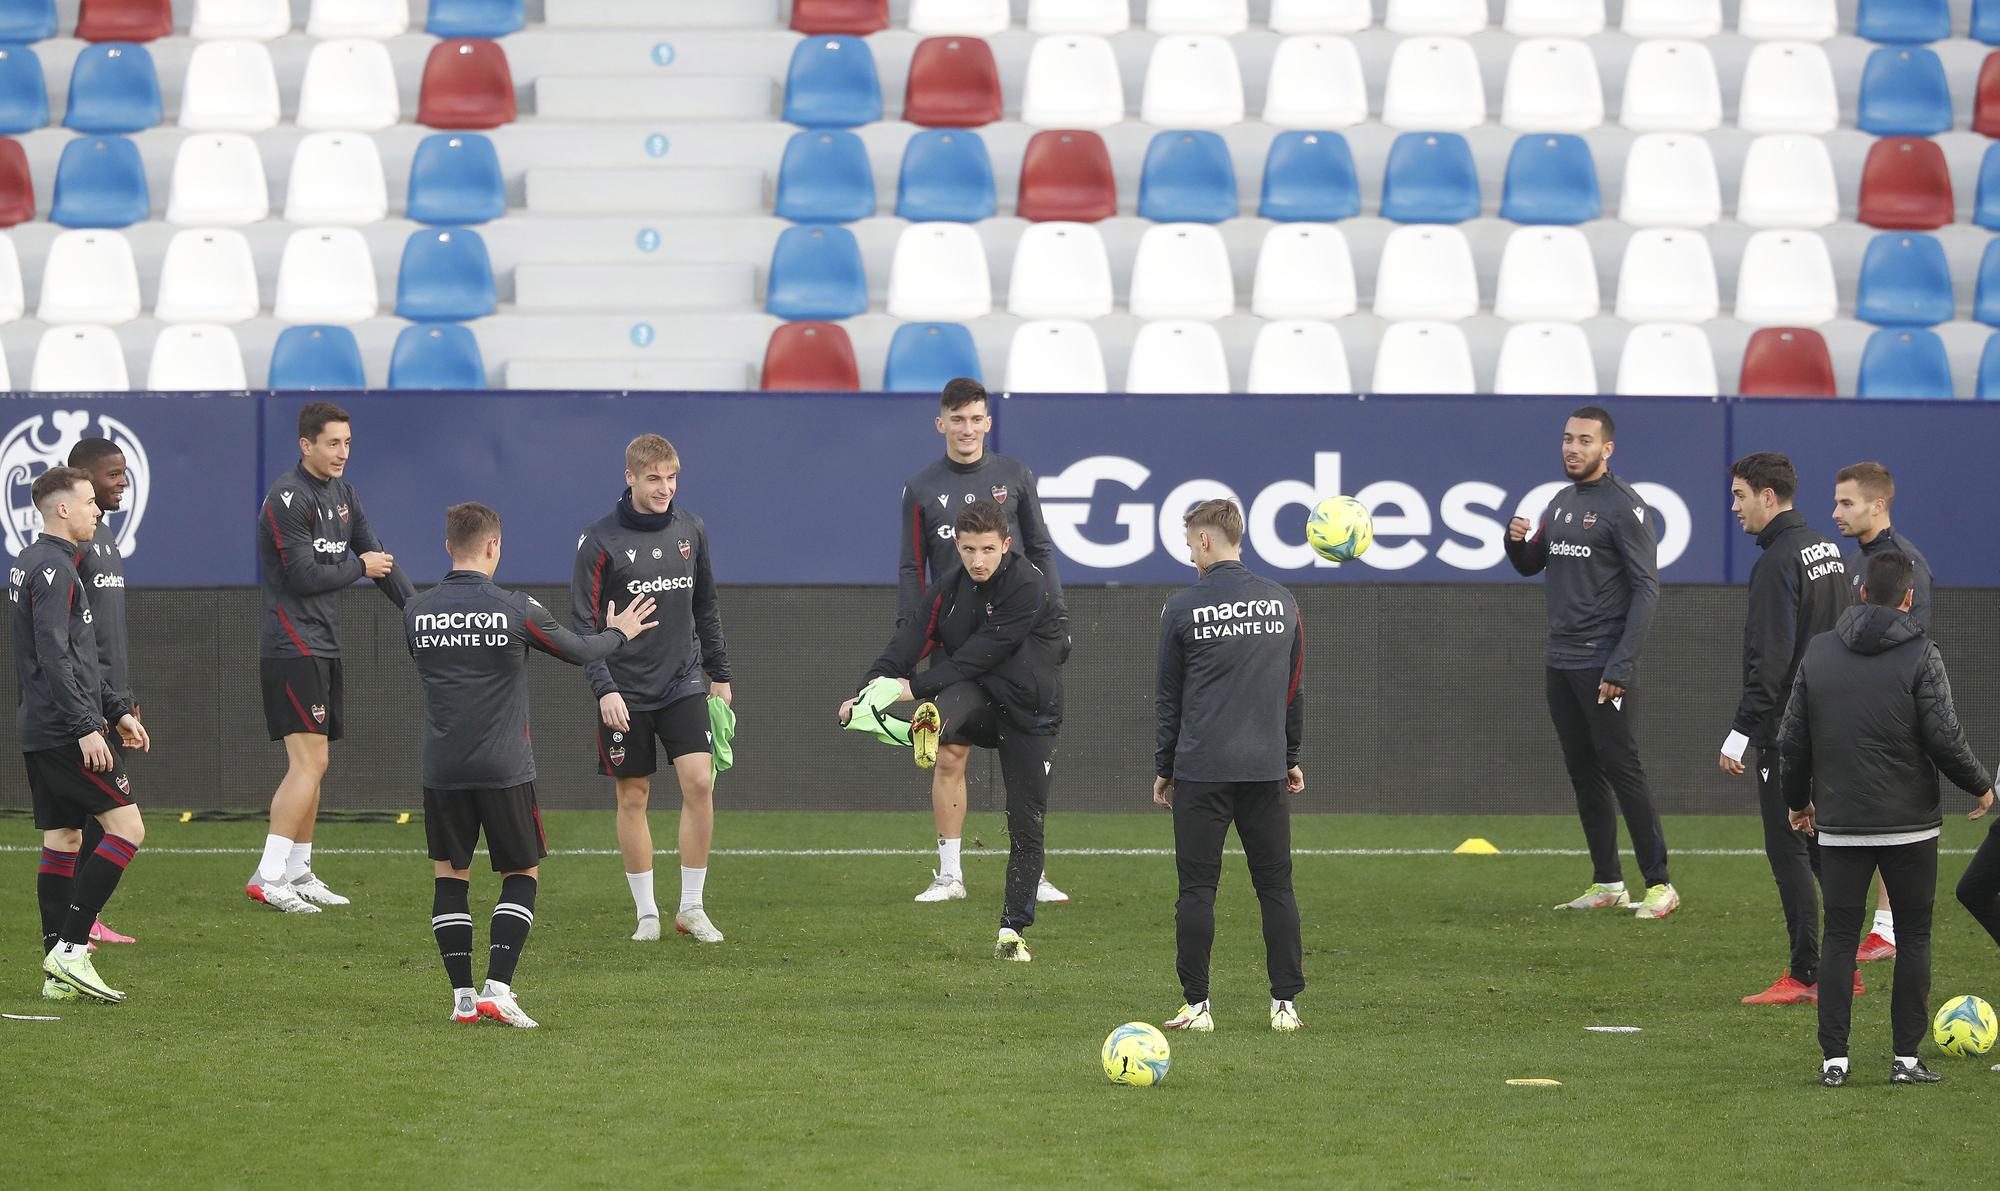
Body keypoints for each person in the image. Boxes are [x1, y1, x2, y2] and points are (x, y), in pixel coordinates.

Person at [407, 503, 659, 1028]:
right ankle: (498, 986)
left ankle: (462, 1000)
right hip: (505, 768)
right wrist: (620, 632)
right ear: (495, 546)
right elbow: (583, 651)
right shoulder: (517, 609)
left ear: (447, 545)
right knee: (521, 872)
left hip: (443, 768)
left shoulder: (418, 612)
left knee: (450, 877)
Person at [1778, 551, 1994, 1087]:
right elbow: (1944, 737)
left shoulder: (1820, 652)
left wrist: (1798, 801)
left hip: (1841, 823)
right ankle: (1904, 1059)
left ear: (1858, 593)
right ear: (1908, 597)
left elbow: (1792, 740)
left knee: (1840, 937)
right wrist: (1981, 784)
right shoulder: (1921, 652)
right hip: (1911, 825)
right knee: (1915, 936)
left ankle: (1835, 1061)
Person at [841, 500, 1065, 962]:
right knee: (956, 692)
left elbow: (982, 651)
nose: (978, 560)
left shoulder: (1028, 585)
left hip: (1028, 714)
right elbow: (908, 643)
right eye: (968, 549)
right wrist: (864, 692)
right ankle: (931, 725)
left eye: (987, 549)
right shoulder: (950, 587)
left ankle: (1011, 930)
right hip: (976, 701)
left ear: (1006, 544)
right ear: (957, 546)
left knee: (1026, 826)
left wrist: (909, 687)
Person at [897, 377, 1069, 906]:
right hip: (954, 637)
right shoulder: (921, 487)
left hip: (1016, 637)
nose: (967, 429)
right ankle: (950, 874)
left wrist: (1056, 615)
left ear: (988, 421)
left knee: (1025, 751)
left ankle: (1031, 871)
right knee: (950, 752)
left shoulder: (1015, 476)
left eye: (976, 419)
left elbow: (1039, 546)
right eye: (957, 419)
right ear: (940, 423)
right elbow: (912, 566)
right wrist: (915, 637)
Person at [1505, 407, 1677, 920]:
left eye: (1584, 440)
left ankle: (1660, 883)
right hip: (1560, 659)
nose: (1572, 448)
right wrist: (1514, 541)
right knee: (1583, 773)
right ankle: (1607, 881)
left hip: (1601, 661)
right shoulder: (1559, 502)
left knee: (1623, 770)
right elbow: (1534, 563)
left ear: (1608, 449)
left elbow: (1647, 590)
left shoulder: (1626, 507)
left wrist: (1620, 666)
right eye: (1567, 439)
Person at [250, 401, 413, 913]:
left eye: (347, 443)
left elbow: (379, 558)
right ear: (307, 445)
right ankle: (267, 874)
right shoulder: (287, 497)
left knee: (316, 765)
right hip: (291, 646)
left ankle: (298, 870)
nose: (342, 452)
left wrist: (421, 614)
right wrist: (357, 565)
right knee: (309, 761)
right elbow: (303, 576)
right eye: (332, 443)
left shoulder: (345, 495)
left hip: (323, 644)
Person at [1152, 500, 1307, 1034]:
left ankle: (1197, 1007)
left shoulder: (1181, 607)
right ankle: (1285, 1006)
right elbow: (1292, 691)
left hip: (1201, 769)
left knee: (1197, 889)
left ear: (1204, 542)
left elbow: (1170, 697)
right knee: (1275, 886)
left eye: (1190, 542)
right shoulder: (1282, 601)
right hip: (1265, 769)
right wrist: (1289, 757)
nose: (1190, 552)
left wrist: (1164, 766)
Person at [571, 434, 733, 944]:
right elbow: (583, 623)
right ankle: (647, 913)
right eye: (654, 478)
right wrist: (603, 689)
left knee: (700, 784)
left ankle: (691, 908)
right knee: (634, 796)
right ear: (631, 478)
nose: (665, 488)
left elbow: (705, 606)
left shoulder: (692, 529)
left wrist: (720, 674)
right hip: (624, 690)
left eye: (671, 477)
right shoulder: (599, 540)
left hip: (683, 681)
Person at [12, 467, 151, 1003]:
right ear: (62, 509)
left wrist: (114, 709)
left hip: (43, 729)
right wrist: (88, 727)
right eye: (91, 501)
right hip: (63, 730)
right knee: (127, 828)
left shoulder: (36, 563)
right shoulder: (53, 567)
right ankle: (71, 950)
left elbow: (78, 655)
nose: (99, 510)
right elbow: (53, 655)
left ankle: (55, 974)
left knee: (64, 839)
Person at [1720, 453, 1853, 1006]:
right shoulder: (1827, 548)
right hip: (1831, 719)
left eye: (1740, 496)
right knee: (1821, 845)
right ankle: (1846, 967)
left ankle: (1807, 974)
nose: (1734, 507)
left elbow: (1768, 659)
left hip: (1787, 729)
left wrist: (1741, 731)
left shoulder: (1776, 562)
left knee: (1789, 847)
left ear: (1767, 498)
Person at [1831, 461, 1935, 964]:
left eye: (1846, 503)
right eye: (1836, 502)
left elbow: (1912, 645)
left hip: (1891, 716)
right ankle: (1881, 929)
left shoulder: (1904, 563)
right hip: (1856, 711)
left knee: (1890, 823)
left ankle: (1889, 931)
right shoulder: (1857, 561)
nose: (1836, 512)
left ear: (1879, 505)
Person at [67, 436, 139, 947]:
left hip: (108, 697)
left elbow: (108, 629)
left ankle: (83, 919)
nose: (123, 482)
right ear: (84, 476)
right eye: (114, 474)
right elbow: (67, 637)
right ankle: (71, 927)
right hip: (81, 702)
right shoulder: (68, 547)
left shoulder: (106, 536)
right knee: (84, 818)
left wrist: (121, 698)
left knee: (97, 815)